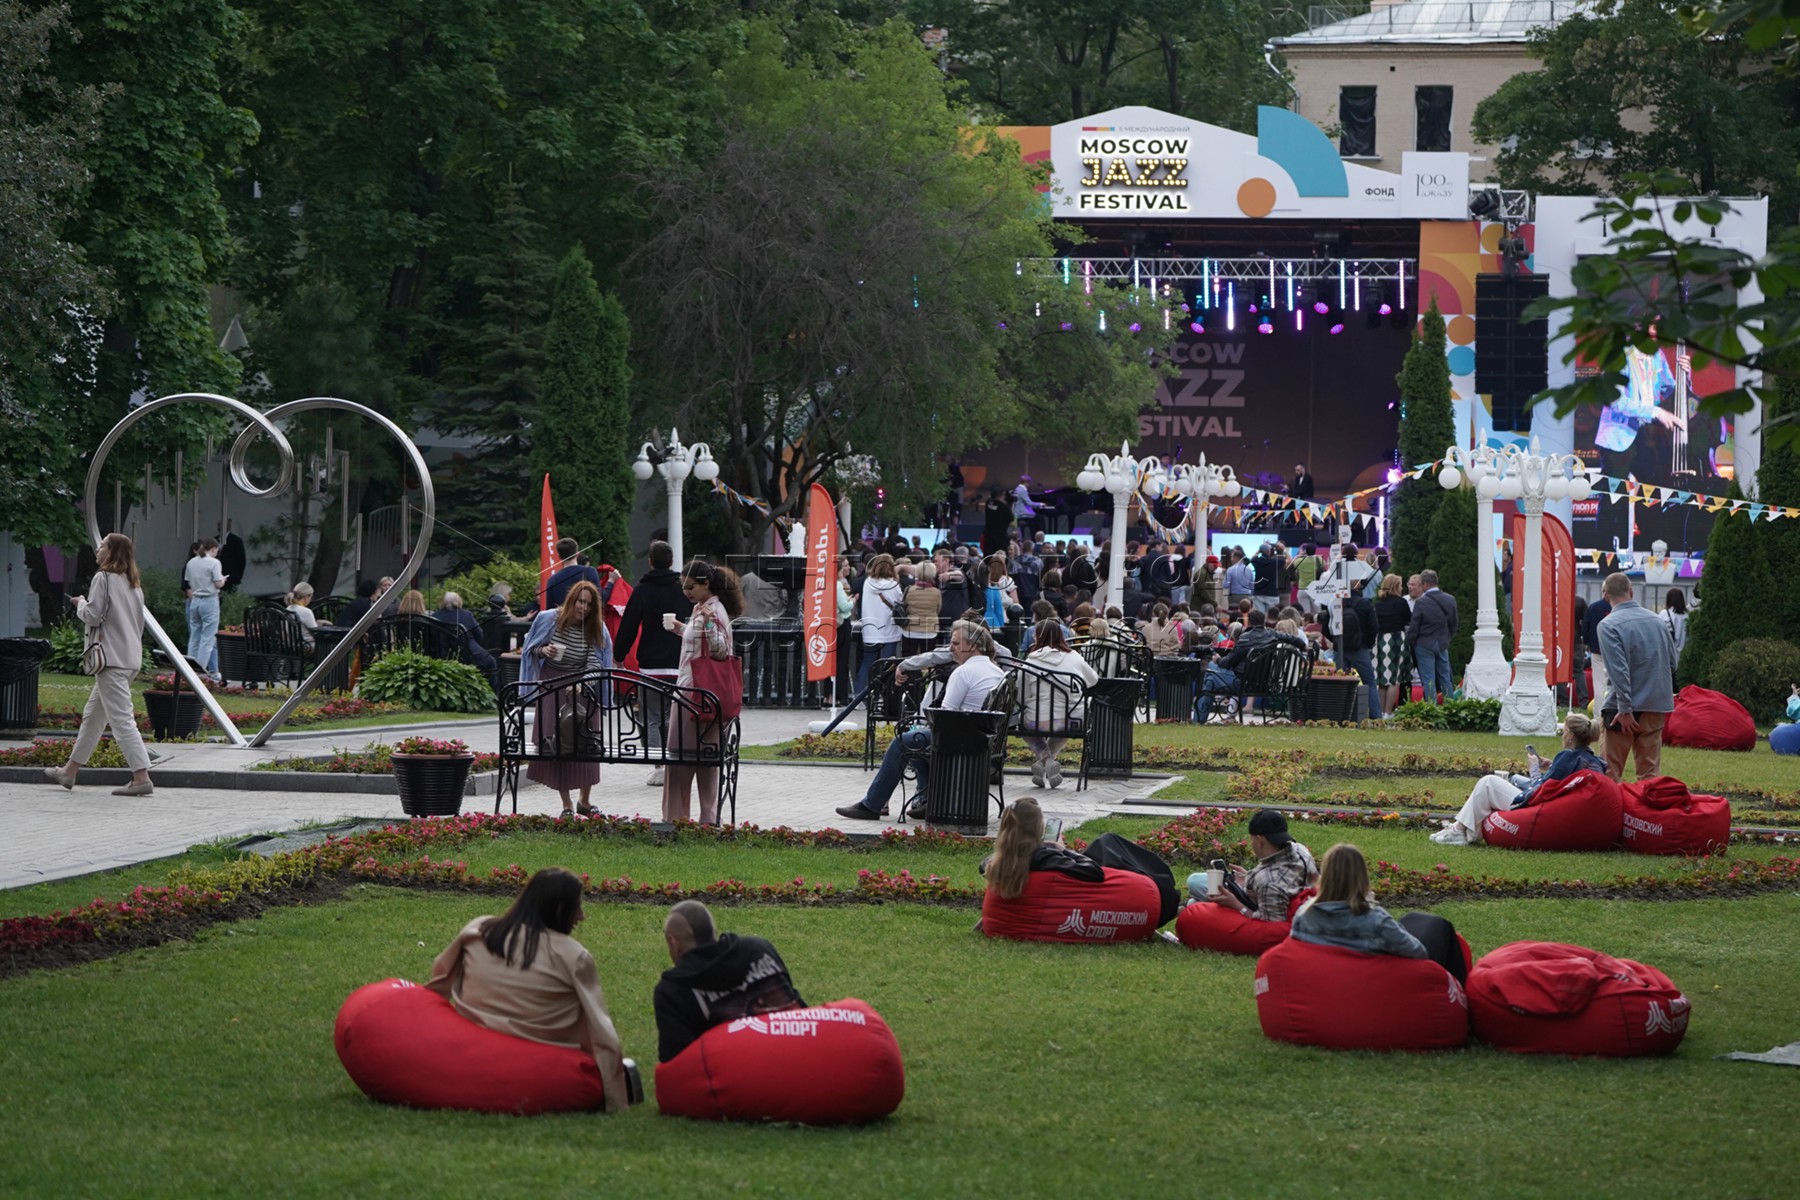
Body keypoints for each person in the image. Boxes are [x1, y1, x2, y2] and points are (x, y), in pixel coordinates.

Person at [426, 867, 635, 1111]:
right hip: (538, 1071)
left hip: (467, 1055)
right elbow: (602, 1033)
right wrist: (617, 1100)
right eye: (576, 908)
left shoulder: (478, 930)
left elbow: (438, 981)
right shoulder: (573, 955)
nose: (581, 917)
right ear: (559, 909)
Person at [835, 620, 1006, 822]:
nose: (952, 649)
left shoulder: (964, 672)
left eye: (956, 644)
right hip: (984, 742)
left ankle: (872, 805)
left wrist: (926, 720)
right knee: (917, 739)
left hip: (961, 742)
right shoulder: (996, 671)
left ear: (974, 646)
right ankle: (925, 800)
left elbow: (945, 716)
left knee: (903, 741)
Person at [44, 533, 155, 797]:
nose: (98, 548)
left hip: (110, 660)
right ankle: (69, 772)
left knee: (121, 719)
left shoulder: (102, 578)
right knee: (93, 717)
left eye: (103, 545)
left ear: (112, 551)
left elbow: (93, 616)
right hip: (129, 658)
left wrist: (80, 603)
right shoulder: (133, 584)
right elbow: (137, 625)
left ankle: (141, 777)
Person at [980, 798, 1179, 927]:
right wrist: (1062, 849)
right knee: (1108, 843)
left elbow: (986, 865)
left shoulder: (999, 861)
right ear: (1037, 828)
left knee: (1104, 845)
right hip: (1156, 901)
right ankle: (1167, 886)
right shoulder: (1044, 856)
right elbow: (1094, 871)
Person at [653, 900, 806, 1064]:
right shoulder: (759, 949)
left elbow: (678, 1065)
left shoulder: (672, 991)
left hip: (743, 1078)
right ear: (714, 932)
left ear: (673, 942)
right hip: (804, 1054)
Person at [1291, 844, 1467, 983]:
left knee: (1411, 919)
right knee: (1439, 928)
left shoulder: (1304, 915)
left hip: (1324, 982)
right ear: (1362, 878)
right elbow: (1418, 952)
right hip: (1368, 987)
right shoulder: (1374, 920)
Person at [1432, 713, 1607, 844]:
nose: (1562, 735)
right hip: (1573, 814)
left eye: (1564, 732)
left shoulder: (1567, 756)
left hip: (1543, 811)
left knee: (1488, 783)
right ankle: (1460, 830)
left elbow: (1541, 791)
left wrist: (1533, 769)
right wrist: (1553, 765)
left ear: (1570, 736)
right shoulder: (1594, 761)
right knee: (1503, 783)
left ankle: (1458, 831)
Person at [520, 579, 612, 818]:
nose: (584, 608)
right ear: (572, 600)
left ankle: (585, 800)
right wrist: (544, 650)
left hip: (582, 685)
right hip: (553, 684)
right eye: (580, 601)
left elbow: (596, 661)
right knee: (557, 744)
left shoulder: (595, 627)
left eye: (589, 604)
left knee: (586, 744)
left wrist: (583, 684)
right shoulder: (550, 619)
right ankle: (567, 805)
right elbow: (530, 647)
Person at [663, 560, 743, 824]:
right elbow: (702, 646)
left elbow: (720, 651)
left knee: (681, 760)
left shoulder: (713, 611)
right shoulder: (703, 608)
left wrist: (707, 625)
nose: (686, 592)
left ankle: (676, 819)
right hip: (706, 696)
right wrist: (680, 629)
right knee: (706, 760)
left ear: (705, 584)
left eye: (691, 587)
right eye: (683, 587)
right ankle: (708, 819)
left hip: (694, 694)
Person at [612, 540, 691, 788]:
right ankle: (674, 762)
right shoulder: (683, 589)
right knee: (672, 716)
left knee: (651, 717)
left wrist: (619, 655)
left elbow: (629, 625)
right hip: (679, 661)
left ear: (649, 562)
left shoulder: (642, 590)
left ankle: (659, 767)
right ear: (671, 562)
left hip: (651, 665)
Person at [1596, 571, 1676, 781]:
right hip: (1655, 705)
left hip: (1622, 710)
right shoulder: (1658, 621)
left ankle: (1609, 814)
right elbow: (1673, 663)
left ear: (1605, 596)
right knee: (1649, 776)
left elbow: (1618, 670)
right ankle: (1646, 814)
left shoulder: (1608, 625)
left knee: (1609, 774)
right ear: (1631, 592)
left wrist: (1625, 708)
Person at [1018, 620, 1098, 789]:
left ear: (1037, 637)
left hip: (1037, 720)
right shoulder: (1074, 657)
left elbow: (1021, 695)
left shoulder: (1031, 660)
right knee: (1066, 719)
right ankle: (1048, 760)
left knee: (1022, 721)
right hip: (1071, 721)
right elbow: (1093, 680)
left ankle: (1045, 759)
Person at [1209, 810, 1318, 923]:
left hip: (1259, 904)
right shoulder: (1300, 849)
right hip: (1295, 900)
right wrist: (1248, 876)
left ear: (1260, 840)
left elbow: (1269, 925)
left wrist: (1235, 904)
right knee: (1203, 881)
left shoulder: (1268, 881)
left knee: (1197, 883)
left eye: (1252, 840)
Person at [854, 553, 905, 695]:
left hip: (870, 630)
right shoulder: (893, 584)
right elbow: (899, 602)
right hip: (889, 629)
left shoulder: (868, 582)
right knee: (887, 665)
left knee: (867, 663)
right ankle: (883, 695)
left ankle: (858, 695)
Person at [1407, 569, 1457, 704]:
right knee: (1445, 677)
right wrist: (1446, 639)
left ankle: (1431, 709)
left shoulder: (1421, 603)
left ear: (1424, 584)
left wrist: (1411, 643)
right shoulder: (1450, 599)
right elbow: (1454, 624)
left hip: (1424, 645)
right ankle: (1450, 708)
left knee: (1428, 679)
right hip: (1442, 643)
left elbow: (1414, 627)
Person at [432, 591, 499, 690]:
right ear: (459, 601)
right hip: (471, 654)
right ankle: (492, 694)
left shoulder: (435, 616)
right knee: (492, 662)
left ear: (443, 602)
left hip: (443, 656)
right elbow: (479, 634)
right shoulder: (467, 615)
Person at [183, 537, 227, 680]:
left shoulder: (191, 562)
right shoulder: (214, 563)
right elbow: (218, 583)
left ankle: (190, 669)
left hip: (195, 599)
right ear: (213, 549)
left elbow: (188, 581)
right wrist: (223, 580)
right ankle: (201, 670)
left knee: (195, 635)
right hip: (209, 599)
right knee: (208, 637)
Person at [1372, 573, 1413, 714]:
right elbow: (1409, 619)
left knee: (1382, 680)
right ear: (1396, 586)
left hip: (1381, 640)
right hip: (1396, 639)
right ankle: (1388, 713)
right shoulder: (1401, 602)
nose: (1402, 588)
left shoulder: (1378, 604)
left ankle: (1380, 712)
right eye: (1401, 585)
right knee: (1395, 679)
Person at [902, 561, 942, 657]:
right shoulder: (936, 592)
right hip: (930, 631)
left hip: (910, 630)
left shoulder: (909, 589)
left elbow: (905, 607)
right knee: (927, 661)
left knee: (907, 661)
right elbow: (938, 610)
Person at [287, 581, 320, 652]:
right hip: (307, 645)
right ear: (306, 596)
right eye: (311, 596)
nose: (311, 599)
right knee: (333, 645)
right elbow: (316, 632)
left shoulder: (288, 609)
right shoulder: (306, 612)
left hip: (292, 645)